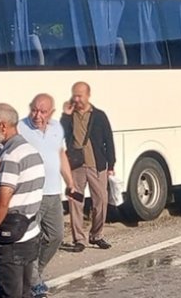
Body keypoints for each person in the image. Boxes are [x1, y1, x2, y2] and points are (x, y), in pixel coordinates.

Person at [18, 94, 76, 298]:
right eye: (34, 109)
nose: (37, 115)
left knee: (56, 236)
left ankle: (35, 273)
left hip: (53, 193)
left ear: (51, 112)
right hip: (31, 194)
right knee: (31, 238)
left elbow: (60, 154)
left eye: (42, 111)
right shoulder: (20, 128)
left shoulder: (56, 128)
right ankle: (34, 282)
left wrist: (70, 181)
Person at [0, 103, 45, 298]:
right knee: (25, 293)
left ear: (2, 126)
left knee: (8, 294)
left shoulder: (10, 155)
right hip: (30, 234)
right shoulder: (30, 150)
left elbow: (3, 201)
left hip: (10, 241)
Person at [61, 81, 115, 252]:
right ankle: (79, 239)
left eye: (80, 95)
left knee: (101, 200)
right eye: (74, 95)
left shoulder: (99, 115)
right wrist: (66, 116)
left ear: (88, 95)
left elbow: (109, 140)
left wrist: (111, 164)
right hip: (76, 165)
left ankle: (96, 235)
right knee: (75, 202)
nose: (76, 99)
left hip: (96, 164)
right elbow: (60, 134)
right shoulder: (70, 116)